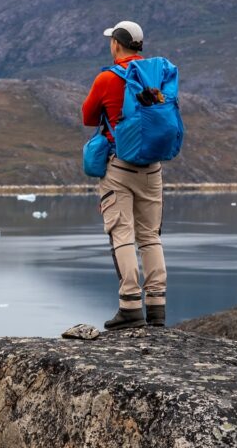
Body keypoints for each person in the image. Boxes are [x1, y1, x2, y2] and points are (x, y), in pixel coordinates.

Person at [81, 21, 167, 330]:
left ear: (117, 44)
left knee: (122, 233)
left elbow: (88, 115)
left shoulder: (107, 78)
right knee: (150, 236)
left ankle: (130, 307)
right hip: (153, 168)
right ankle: (157, 307)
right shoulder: (158, 74)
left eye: (111, 41)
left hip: (119, 167)